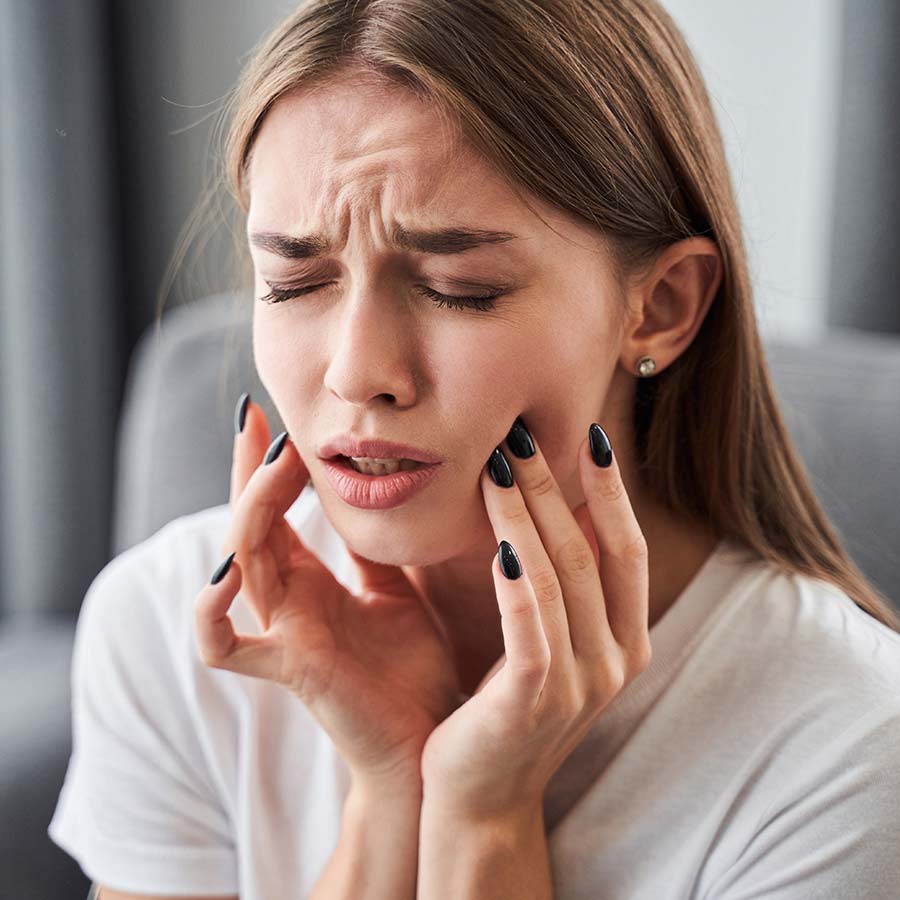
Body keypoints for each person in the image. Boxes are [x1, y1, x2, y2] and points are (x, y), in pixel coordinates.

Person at [48, 0, 900, 898]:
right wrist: (390, 791)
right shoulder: (171, 625)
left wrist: (483, 817)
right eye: (294, 281)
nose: (357, 373)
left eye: (459, 288)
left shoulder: (846, 746)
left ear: (660, 306)